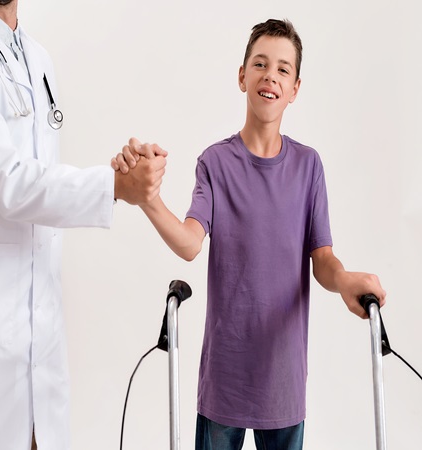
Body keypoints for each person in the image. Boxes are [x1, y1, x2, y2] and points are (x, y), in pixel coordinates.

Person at [113, 19, 386, 450]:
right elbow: (189, 242)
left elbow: (324, 260)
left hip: (283, 381)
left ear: (295, 88)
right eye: (260, 64)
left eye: (282, 69)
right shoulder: (215, 163)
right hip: (226, 378)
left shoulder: (308, 167)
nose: (269, 76)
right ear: (242, 76)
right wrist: (147, 199)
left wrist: (347, 280)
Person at [0, 0, 166, 449]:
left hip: (40, 330)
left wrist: (118, 174)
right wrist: (113, 185)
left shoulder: (37, 58)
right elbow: (11, 185)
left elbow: (43, 181)